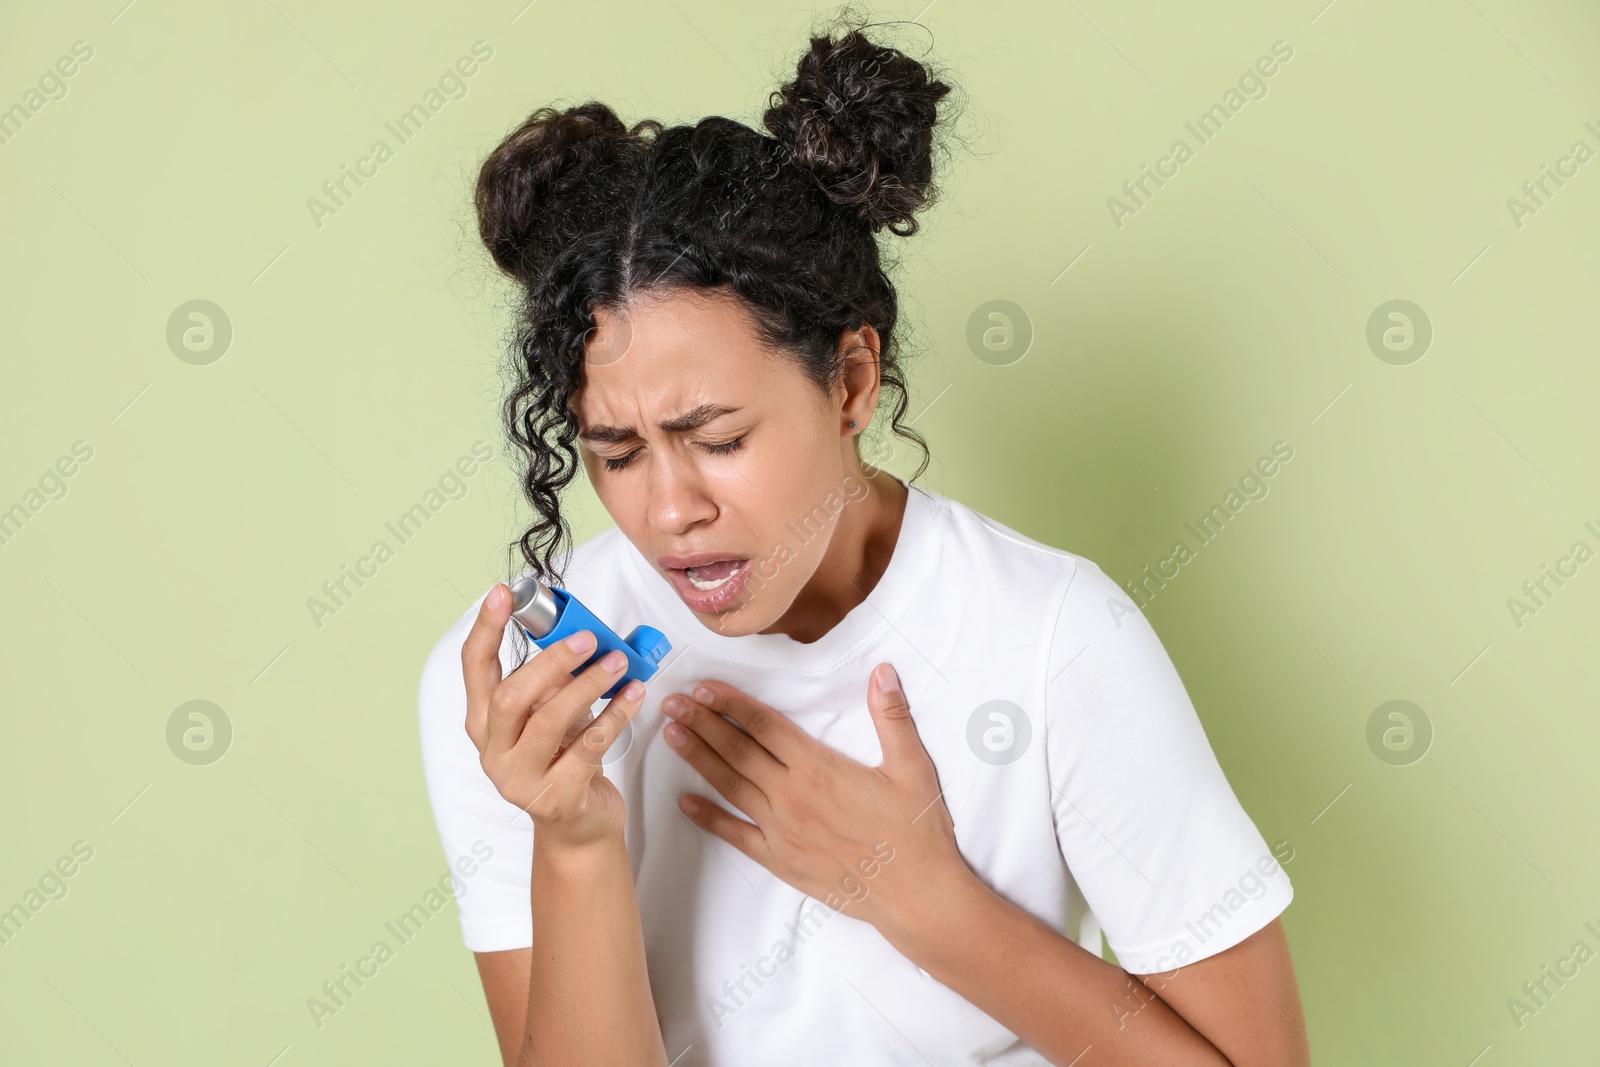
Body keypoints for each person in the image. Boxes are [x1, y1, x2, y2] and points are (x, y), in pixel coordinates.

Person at [418, 12, 1308, 1066]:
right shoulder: (528, 698)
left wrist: (922, 899)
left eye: (718, 437)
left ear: (849, 380)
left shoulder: (1055, 636)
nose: (669, 510)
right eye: (616, 452)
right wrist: (572, 840)